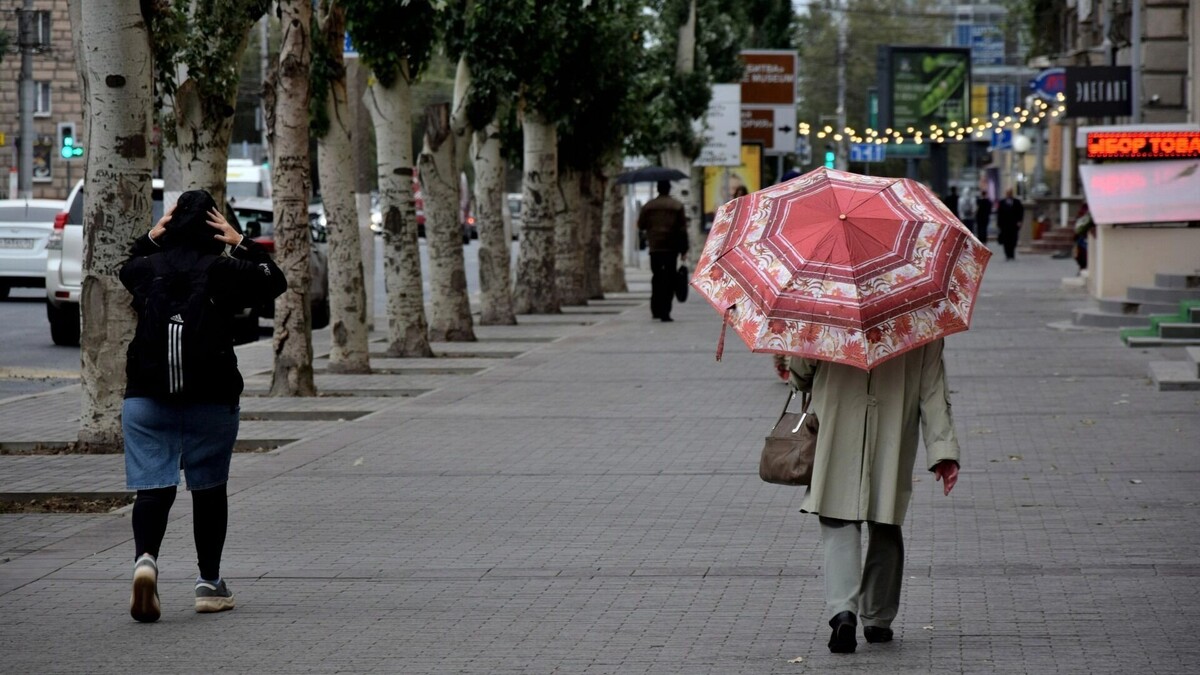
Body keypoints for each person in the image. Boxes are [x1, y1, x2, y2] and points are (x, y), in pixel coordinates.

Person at [119, 190, 286, 623]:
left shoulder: (146, 268)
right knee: (209, 490)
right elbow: (275, 280)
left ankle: (145, 561)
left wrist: (151, 237)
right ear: (215, 223)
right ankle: (209, 584)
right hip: (211, 397)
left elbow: (123, 268)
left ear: (171, 223)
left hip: (146, 397)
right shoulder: (223, 269)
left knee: (153, 489)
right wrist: (241, 241)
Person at [788, 340, 960, 654]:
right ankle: (878, 617)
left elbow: (800, 373)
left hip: (838, 422)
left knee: (837, 515)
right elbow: (932, 386)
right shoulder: (920, 310)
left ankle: (843, 611)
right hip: (893, 426)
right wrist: (943, 451)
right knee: (885, 518)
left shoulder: (828, 304)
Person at [637, 180, 688, 322]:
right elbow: (682, 229)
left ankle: (655, 309)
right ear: (669, 189)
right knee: (670, 279)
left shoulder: (648, 206)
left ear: (658, 189)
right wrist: (684, 249)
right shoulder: (677, 206)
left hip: (655, 248)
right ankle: (666, 311)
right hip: (671, 248)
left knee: (657, 277)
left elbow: (641, 225)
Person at [996, 188, 1024, 261]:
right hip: (1005, 225)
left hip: (1014, 224)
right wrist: (999, 224)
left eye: (1010, 193)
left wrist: (1020, 221)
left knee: (1013, 239)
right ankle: (1007, 254)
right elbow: (999, 214)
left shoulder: (1017, 202)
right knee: (1006, 240)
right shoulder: (1002, 202)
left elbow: (1020, 212)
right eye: (1008, 193)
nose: (1009, 194)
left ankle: (1012, 253)